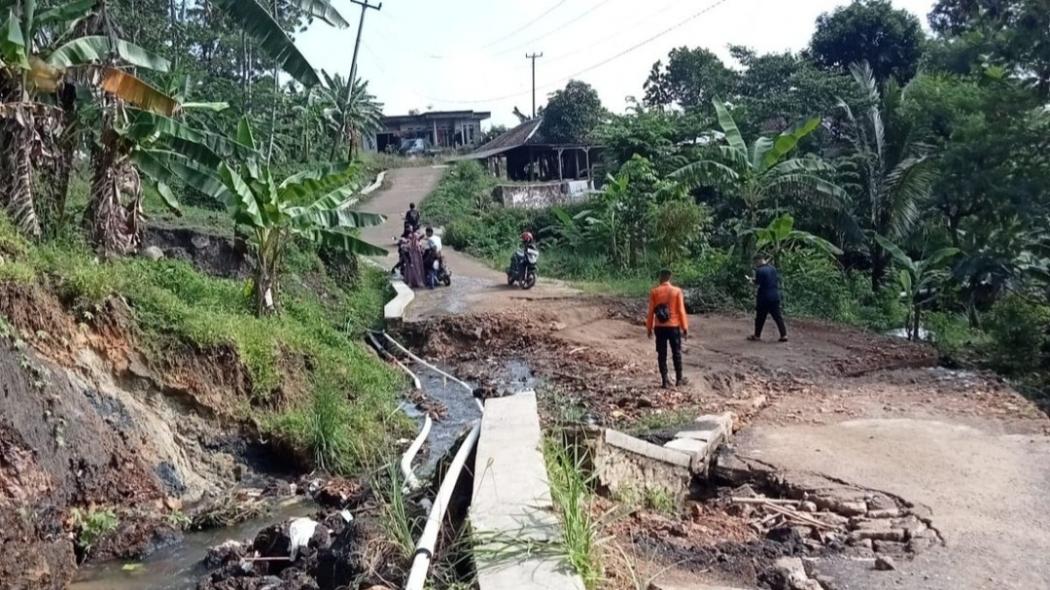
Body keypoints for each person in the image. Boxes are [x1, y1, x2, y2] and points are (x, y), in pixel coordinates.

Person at [647, 269, 689, 389]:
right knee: (676, 352)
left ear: (661, 277)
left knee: (662, 354)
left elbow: (651, 312)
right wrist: (684, 327)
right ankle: (679, 379)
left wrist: (649, 328)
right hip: (673, 326)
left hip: (659, 328)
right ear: (670, 277)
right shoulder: (676, 291)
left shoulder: (654, 292)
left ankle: (665, 381)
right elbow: (681, 311)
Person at [749, 254, 788, 342]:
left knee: (760, 317)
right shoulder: (773, 269)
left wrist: (752, 281)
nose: (755, 265)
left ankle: (757, 335)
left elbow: (758, 282)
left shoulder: (759, 270)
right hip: (774, 296)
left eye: (755, 262)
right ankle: (784, 334)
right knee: (778, 317)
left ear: (758, 260)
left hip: (764, 297)